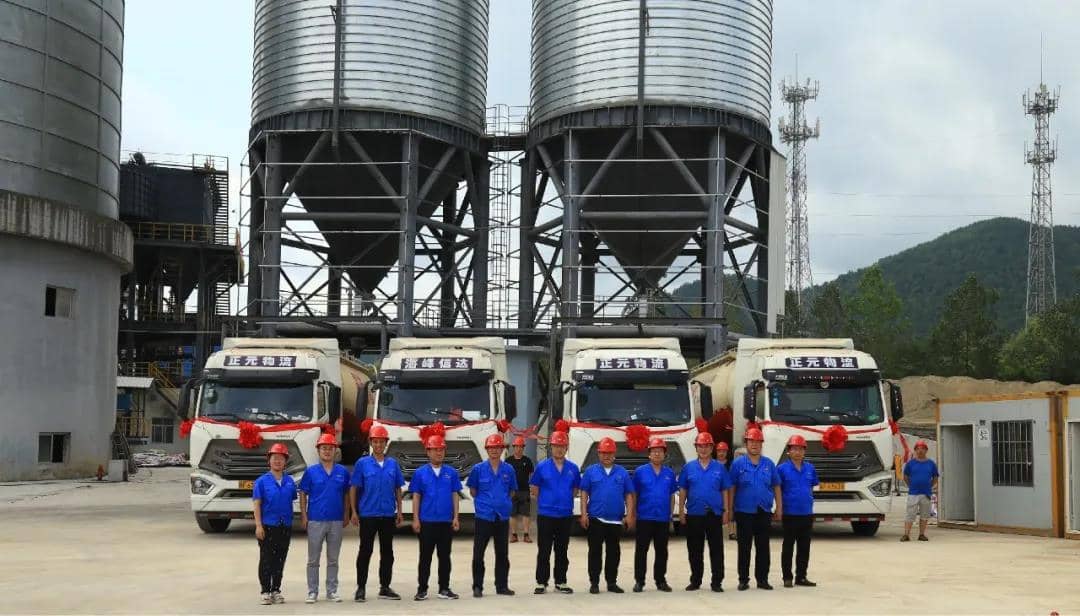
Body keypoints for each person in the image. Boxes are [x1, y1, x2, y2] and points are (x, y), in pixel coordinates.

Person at [349, 424, 405, 602]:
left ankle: (385, 587)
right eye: (376, 442)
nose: (379, 445)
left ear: (386, 443)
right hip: (368, 515)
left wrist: (400, 511)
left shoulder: (392, 464)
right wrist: (354, 511)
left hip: (387, 515)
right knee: (365, 551)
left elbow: (398, 488)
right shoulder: (362, 463)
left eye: (382, 442)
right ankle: (361, 588)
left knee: (387, 553)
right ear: (371, 443)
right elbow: (354, 488)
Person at [578, 436, 635, 594]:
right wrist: (583, 514)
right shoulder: (590, 471)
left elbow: (629, 495)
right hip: (596, 519)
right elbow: (584, 493)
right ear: (599, 454)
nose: (606, 456)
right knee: (594, 552)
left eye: (609, 453)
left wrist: (630, 515)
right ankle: (594, 583)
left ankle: (611, 583)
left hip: (615, 521)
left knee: (613, 553)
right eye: (603, 452)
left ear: (614, 454)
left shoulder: (622, 473)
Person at [678, 432, 732, 593]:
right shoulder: (688, 468)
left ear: (712, 448)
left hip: (714, 514)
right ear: (696, 448)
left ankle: (717, 582)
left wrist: (726, 510)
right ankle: (695, 580)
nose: (703, 449)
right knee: (695, 549)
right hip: (694, 514)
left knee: (716, 549)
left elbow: (725, 490)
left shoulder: (719, 468)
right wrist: (681, 510)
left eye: (707, 446)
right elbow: (683, 490)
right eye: (700, 446)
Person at [410, 434, 462, 601]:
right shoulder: (420, 473)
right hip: (427, 522)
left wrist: (456, 517)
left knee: (445, 557)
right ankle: (422, 589)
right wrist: (416, 519)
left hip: (446, 522)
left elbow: (455, 495)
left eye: (441, 449)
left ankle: (444, 588)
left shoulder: (451, 473)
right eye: (435, 450)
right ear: (428, 452)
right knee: (425, 557)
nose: (439, 453)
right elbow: (416, 496)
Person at [299, 434, 350, 603]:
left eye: (330, 448)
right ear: (318, 451)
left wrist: (346, 514)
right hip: (315, 520)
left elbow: (346, 494)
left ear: (335, 451)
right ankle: (312, 591)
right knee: (313, 559)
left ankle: (332, 591)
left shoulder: (342, 472)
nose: (327, 451)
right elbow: (303, 493)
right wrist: (304, 515)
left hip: (336, 520)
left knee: (333, 559)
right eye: (324, 448)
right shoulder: (311, 471)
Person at [729, 427, 781, 591]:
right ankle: (743, 580)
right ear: (746, 443)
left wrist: (779, 507)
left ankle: (762, 579)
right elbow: (732, 488)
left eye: (758, 442)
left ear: (761, 444)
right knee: (744, 547)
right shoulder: (738, 464)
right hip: (744, 511)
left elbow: (776, 486)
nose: (754, 444)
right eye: (751, 441)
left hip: (763, 511)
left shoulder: (769, 464)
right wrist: (729, 509)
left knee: (763, 547)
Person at [467, 434, 518, 598]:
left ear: (502, 450)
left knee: (502, 554)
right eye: (491, 448)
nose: (494, 450)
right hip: (484, 516)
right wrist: (486, 503)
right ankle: (477, 586)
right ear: (487, 450)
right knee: (478, 553)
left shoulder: (509, 469)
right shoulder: (478, 469)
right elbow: (473, 491)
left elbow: (512, 491)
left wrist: (502, 502)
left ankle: (502, 586)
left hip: (502, 517)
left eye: (497, 447)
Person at [530, 430, 580, 595]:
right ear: (551, 447)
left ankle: (560, 581)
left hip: (565, 515)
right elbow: (535, 489)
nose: (559, 449)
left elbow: (575, 489)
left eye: (562, 446)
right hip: (546, 515)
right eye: (556, 446)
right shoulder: (542, 467)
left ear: (566, 448)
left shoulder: (573, 468)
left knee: (562, 550)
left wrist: (563, 501)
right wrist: (548, 502)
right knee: (544, 550)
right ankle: (541, 582)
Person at [253, 442, 298, 605]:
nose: (278, 461)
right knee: (266, 559)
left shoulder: (290, 481)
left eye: (281, 458)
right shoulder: (261, 481)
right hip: (268, 526)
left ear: (285, 461)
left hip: (285, 526)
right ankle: (265, 590)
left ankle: (276, 590)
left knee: (280, 559)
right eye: (274, 458)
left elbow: (291, 500)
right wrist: (258, 525)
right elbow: (257, 504)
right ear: (269, 460)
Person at [632, 437, 678, 593]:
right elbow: (634, 494)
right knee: (641, 551)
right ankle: (639, 581)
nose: (657, 454)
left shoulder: (669, 473)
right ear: (649, 454)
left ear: (664, 454)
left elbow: (672, 496)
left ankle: (660, 581)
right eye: (654, 451)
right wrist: (633, 514)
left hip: (662, 518)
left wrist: (671, 516)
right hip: (644, 517)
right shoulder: (640, 472)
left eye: (660, 451)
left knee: (662, 551)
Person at [776, 435, 819, 588]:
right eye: (794, 449)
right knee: (788, 546)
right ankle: (787, 577)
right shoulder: (782, 469)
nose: (798, 452)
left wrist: (809, 504)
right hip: (790, 513)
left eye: (800, 449)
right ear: (789, 451)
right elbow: (778, 490)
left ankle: (801, 576)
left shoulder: (810, 468)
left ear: (804, 451)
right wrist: (779, 508)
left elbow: (811, 487)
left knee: (804, 547)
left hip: (806, 513)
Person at [901, 440, 939, 542]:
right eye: (918, 449)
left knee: (924, 515)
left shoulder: (931, 464)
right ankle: (906, 535)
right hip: (913, 493)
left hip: (926, 494)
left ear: (926, 450)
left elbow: (935, 477)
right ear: (915, 450)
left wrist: (929, 486)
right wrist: (911, 485)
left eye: (922, 449)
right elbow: (905, 476)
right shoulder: (910, 463)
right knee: (910, 514)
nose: (920, 451)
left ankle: (921, 534)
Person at [506, 436, 535, 543]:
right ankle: (514, 535)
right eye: (517, 446)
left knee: (526, 513)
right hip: (512, 491)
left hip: (524, 490)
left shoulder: (527, 461)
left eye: (521, 447)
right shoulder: (508, 461)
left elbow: (531, 475)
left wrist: (531, 487)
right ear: (514, 447)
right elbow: (505, 475)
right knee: (512, 513)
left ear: (523, 448)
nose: (519, 449)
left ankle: (526, 535)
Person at [716, 442, 737, 540]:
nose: (721, 453)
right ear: (716, 452)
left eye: (723, 451)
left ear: (727, 452)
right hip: (716, 491)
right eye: (719, 451)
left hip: (729, 491)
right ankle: (716, 532)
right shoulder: (713, 464)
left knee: (731, 510)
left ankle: (731, 532)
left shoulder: (731, 465)